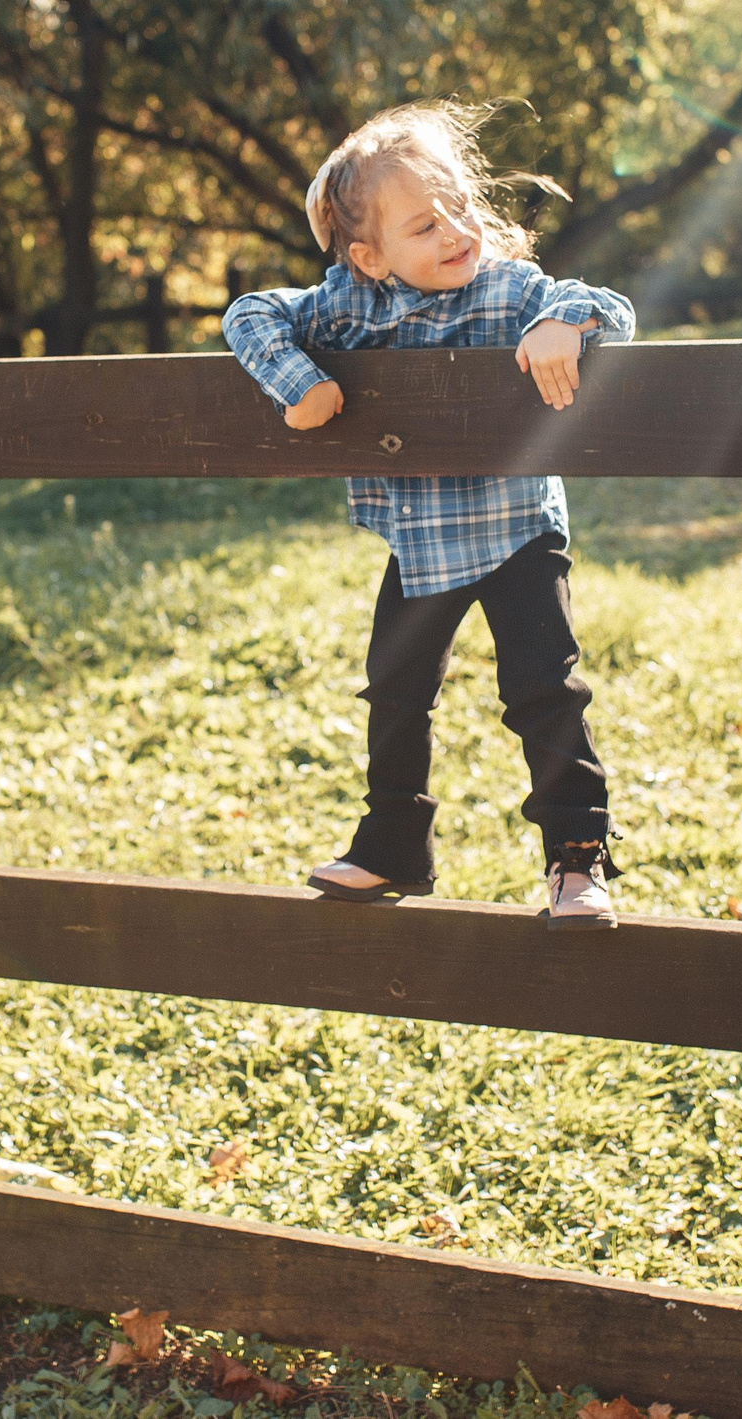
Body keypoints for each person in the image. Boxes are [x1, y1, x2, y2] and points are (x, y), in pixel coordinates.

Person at [222, 101, 636, 930]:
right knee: (395, 689)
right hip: (422, 539)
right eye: (423, 225)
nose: (453, 231)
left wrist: (566, 320)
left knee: (542, 689)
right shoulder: (347, 307)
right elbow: (248, 313)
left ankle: (577, 859)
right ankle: (392, 846)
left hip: (518, 526)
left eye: (458, 207)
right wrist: (300, 383)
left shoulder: (511, 289)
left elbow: (614, 307)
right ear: (370, 257)